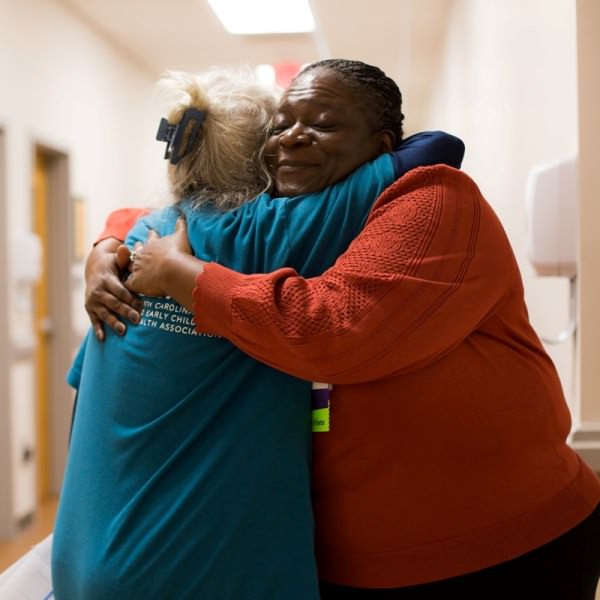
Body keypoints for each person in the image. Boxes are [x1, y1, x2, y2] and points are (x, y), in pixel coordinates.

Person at [95, 60, 600, 599]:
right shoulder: (303, 217)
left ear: (382, 146)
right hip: (346, 560)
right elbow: (183, 212)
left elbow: (333, 332)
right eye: (281, 123)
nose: (291, 136)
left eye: (324, 123)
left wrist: (180, 275)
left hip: (507, 544)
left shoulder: (434, 200)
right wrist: (108, 244)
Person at [51, 60, 465, 599]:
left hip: (81, 559)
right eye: (280, 129)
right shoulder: (276, 231)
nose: (293, 142)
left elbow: (83, 394)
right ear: (262, 158)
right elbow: (438, 148)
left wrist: (106, 242)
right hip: (193, 570)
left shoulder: (137, 241)